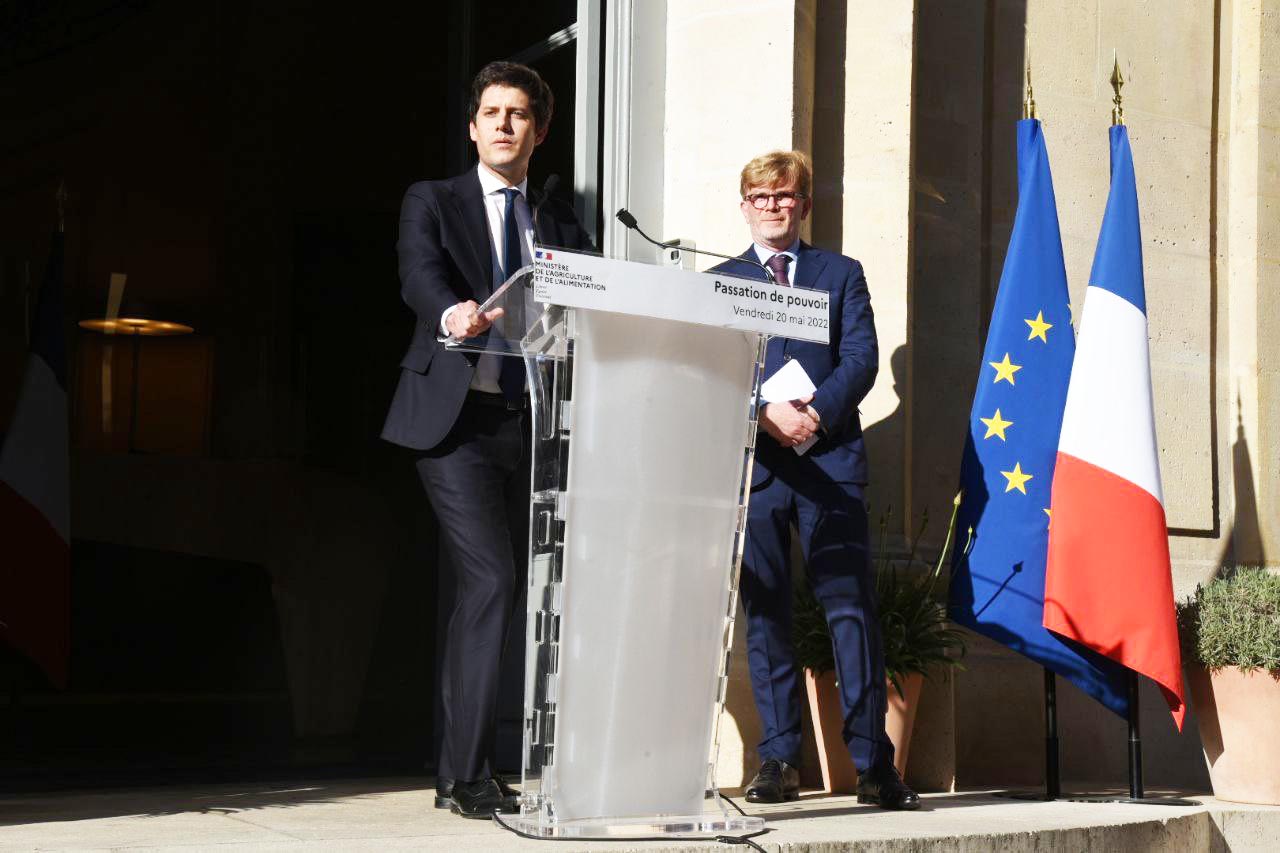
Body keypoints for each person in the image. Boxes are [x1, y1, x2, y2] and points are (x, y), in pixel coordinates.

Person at [382, 61, 592, 819]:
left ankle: (471, 768)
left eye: (519, 114)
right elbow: (418, 274)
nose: (505, 124)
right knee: (492, 581)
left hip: (533, 425)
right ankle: (464, 773)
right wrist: (453, 314)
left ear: (539, 130)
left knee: (505, 591)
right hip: (455, 424)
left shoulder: (559, 218)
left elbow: (590, 300)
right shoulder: (433, 200)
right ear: (473, 127)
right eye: (492, 112)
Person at [713, 150, 919, 810]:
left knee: (850, 610)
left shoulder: (839, 273)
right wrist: (762, 414)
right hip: (758, 469)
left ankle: (873, 763)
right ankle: (778, 758)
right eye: (762, 196)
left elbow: (860, 357)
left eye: (786, 197)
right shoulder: (721, 281)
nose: (774, 206)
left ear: (804, 205)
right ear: (744, 205)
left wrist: (816, 414)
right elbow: (711, 369)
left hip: (829, 465)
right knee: (765, 613)